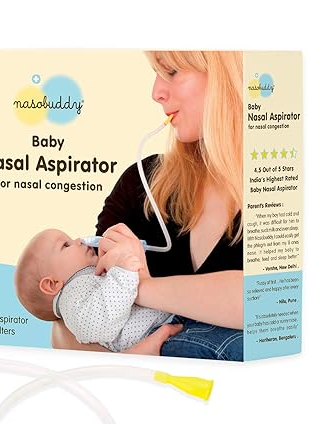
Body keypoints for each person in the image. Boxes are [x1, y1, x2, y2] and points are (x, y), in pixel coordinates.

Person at [52, 50, 244, 360]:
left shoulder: (278, 188)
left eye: (171, 72)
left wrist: (139, 286)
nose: (156, 92)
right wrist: (135, 357)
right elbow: (64, 328)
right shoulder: (141, 185)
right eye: (156, 74)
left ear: (226, 77)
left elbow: (262, 302)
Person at [14, 228, 242, 359]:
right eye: (66, 245)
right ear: (52, 284)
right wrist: (123, 272)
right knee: (230, 348)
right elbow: (94, 326)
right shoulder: (72, 294)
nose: (79, 240)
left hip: (172, 327)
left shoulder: (85, 282)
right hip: (161, 339)